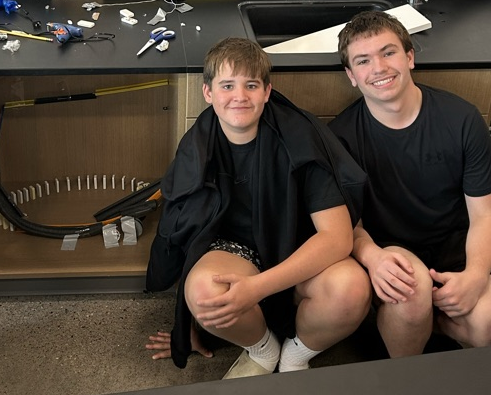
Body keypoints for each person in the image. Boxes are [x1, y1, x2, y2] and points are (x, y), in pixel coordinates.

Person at [145, 37, 371, 375]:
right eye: (227, 85)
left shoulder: (299, 137)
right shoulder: (198, 144)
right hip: (235, 251)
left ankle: (296, 356)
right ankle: (263, 350)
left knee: (351, 289)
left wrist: (256, 289)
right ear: (208, 93)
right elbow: (186, 232)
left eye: (251, 85)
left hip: (298, 247)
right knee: (205, 291)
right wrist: (187, 320)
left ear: (267, 90)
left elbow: (338, 238)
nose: (239, 96)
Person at [330, 10, 491, 358]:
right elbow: (345, 223)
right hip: (391, 248)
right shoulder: (340, 137)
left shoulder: (462, 119)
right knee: (412, 293)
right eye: (364, 61)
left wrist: (474, 275)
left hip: (458, 244)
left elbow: (486, 215)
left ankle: (430, 323)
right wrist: (372, 257)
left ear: (410, 57)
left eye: (389, 52)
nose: (379, 68)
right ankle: (407, 369)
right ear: (351, 76)